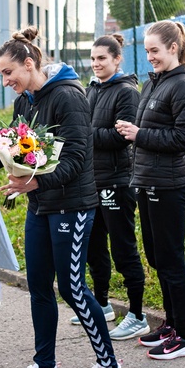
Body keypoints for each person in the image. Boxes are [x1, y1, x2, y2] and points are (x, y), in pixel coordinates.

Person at [0, 27, 127, 368]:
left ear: (28, 63)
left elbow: (79, 159)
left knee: (71, 287)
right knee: (39, 287)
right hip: (42, 206)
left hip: (74, 205)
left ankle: (110, 367)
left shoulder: (68, 96)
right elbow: (13, 151)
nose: (5, 81)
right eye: (1, 74)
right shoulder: (25, 102)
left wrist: (33, 184)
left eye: (7, 73)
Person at [115, 20, 185, 359]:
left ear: (173, 47)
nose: (150, 57)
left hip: (169, 184)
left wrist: (139, 135)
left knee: (171, 260)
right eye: (146, 51)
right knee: (157, 257)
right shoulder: (157, 81)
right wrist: (135, 134)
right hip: (148, 180)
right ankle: (171, 324)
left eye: (155, 50)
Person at [68, 33, 148, 340]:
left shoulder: (127, 91)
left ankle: (137, 314)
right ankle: (101, 304)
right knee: (94, 246)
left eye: (102, 58)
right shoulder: (91, 88)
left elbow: (121, 136)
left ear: (117, 59)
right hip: (92, 180)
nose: (96, 63)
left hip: (118, 181)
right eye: (92, 58)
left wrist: (84, 134)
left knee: (123, 247)